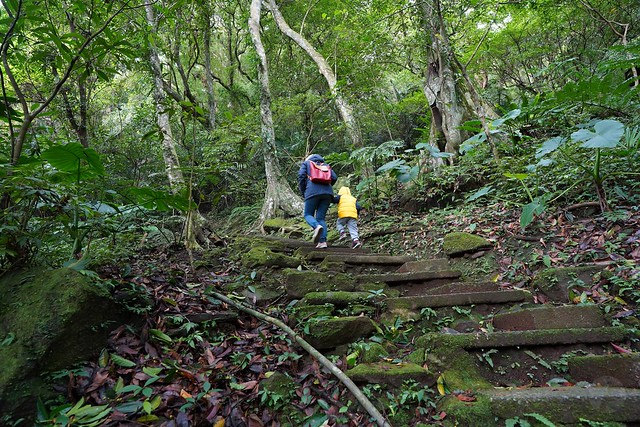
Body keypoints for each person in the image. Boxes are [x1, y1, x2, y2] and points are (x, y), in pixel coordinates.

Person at [298, 154, 337, 248]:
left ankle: (316, 226)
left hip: (312, 192)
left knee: (308, 214)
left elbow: (301, 175)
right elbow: (334, 177)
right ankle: (322, 242)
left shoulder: (307, 163)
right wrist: (327, 184)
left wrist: (304, 191)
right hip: (327, 194)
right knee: (321, 218)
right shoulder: (325, 165)